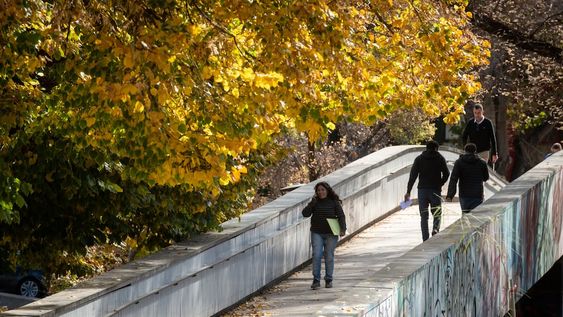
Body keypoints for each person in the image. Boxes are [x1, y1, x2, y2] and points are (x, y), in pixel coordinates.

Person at [302, 181, 346, 290]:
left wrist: (343, 229)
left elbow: (341, 216)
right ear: (316, 192)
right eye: (318, 190)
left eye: (322, 190)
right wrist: (311, 204)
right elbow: (305, 214)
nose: (320, 192)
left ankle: (328, 279)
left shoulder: (334, 202)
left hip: (331, 233)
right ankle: (316, 280)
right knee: (316, 255)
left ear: (327, 190)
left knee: (328, 255)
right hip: (317, 232)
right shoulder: (315, 202)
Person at [404, 140, 450, 241]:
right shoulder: (440, 158)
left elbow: (413, 176)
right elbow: (447, 174)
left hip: (422, 191)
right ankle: (435, 229)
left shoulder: (419, 159)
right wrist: (440, 183)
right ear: (436, 148)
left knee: (424, 216)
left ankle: (425, 238)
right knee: (437, 212)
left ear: (426, 148)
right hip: (435, 190)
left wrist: (408, 191)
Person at [445, 143, 489, 212]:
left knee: (465, 217)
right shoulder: (482, 163)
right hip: (477, 195)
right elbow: (486, 178)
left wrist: (450, 195)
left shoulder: (459, 162)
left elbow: (453, 179)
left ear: (465, 151)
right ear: (475, 151)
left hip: (464, 195)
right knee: (476, 217)